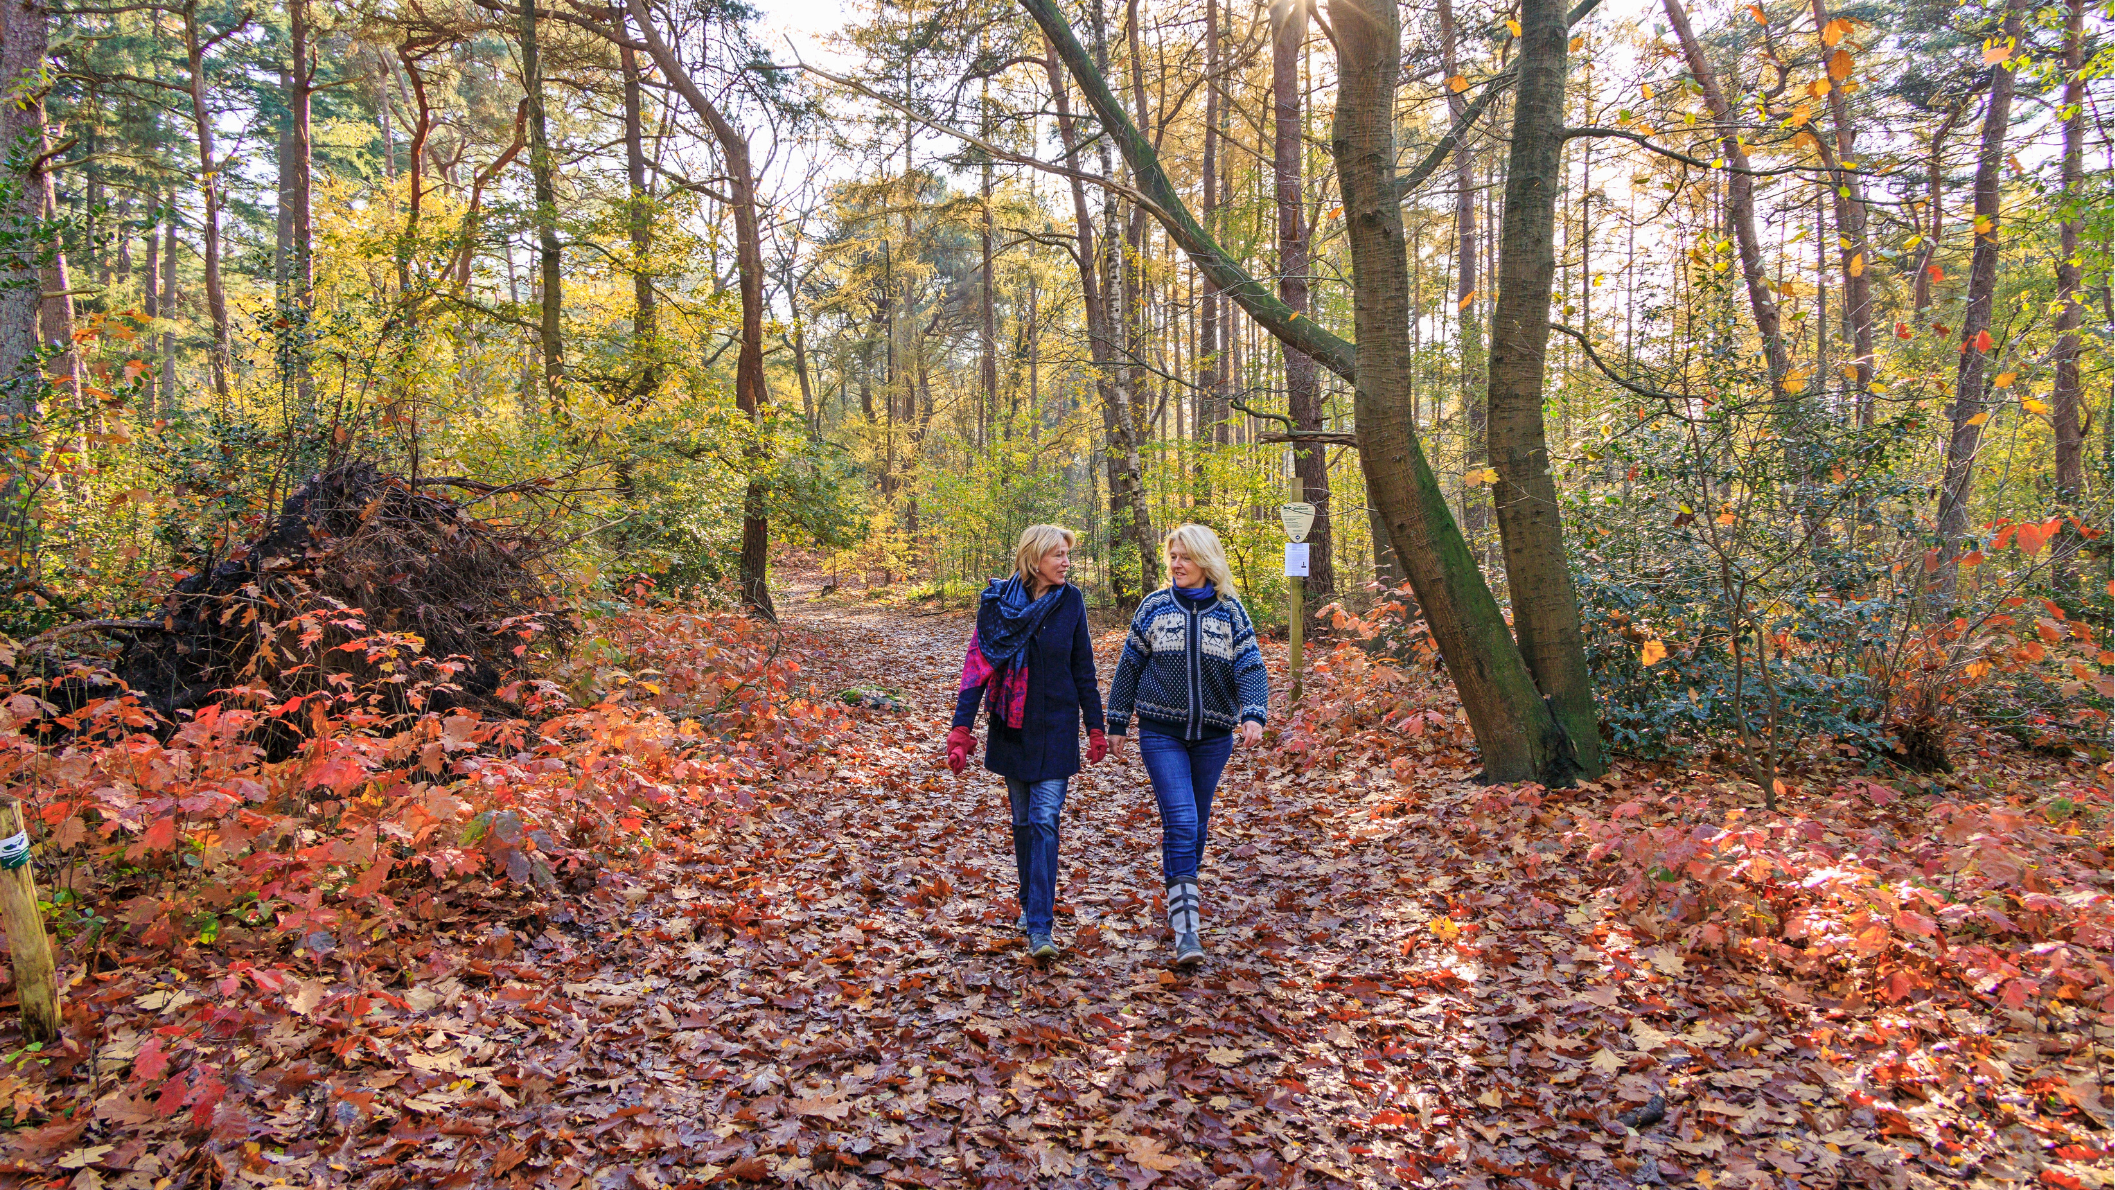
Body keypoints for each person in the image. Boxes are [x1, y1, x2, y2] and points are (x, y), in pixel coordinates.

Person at [1106, 524, 1270, 967]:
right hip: (1162, 733)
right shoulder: (1155, 607)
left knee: (1196, 826)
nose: (1176, 564)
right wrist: (1116, 722)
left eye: (1185, 557)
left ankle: (1182, 898)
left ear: (1206, 561)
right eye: (1172, 556)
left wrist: (1253, 713)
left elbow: (1251, 667)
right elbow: (1128, 666)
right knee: (1180, 821)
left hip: (1214, 736)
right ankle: (1187, 931)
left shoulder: (1230, 611)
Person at [945, 525, 1107, 959]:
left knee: (1044, 821)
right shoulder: (997, 603)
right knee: (1022, 823)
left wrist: (1095, 725)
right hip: (1009, 728)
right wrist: (962, 729)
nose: (1067, 563)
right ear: (1035, 560)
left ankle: (1040, 927)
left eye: (1068, 555)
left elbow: (1083, 668)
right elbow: (978, 664)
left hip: (1055, 728)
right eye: (1059, 555)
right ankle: (1028, 900)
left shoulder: (1071, 602)